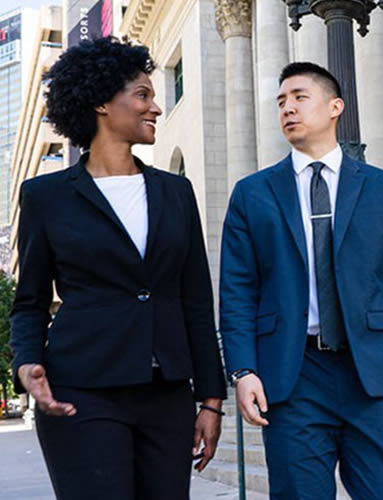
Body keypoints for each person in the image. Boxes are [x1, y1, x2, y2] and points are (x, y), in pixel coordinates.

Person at [10, 37, 226, 500]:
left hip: (165, 393)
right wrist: (26, 363)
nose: (156, 107)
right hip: (80, 392)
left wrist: (211, 399)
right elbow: (29, 301)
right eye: (143, 94)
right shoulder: (45, 197)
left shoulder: (175, 192)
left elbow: (196, 301)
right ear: (102, 103)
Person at [220, 61, 383, 500]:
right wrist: (242, 369)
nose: (288, 109)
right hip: (293, 375)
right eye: (281, 101)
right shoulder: (252, 193)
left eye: (300, 97)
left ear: (335, 107)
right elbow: (237, 290)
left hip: (372, 373)